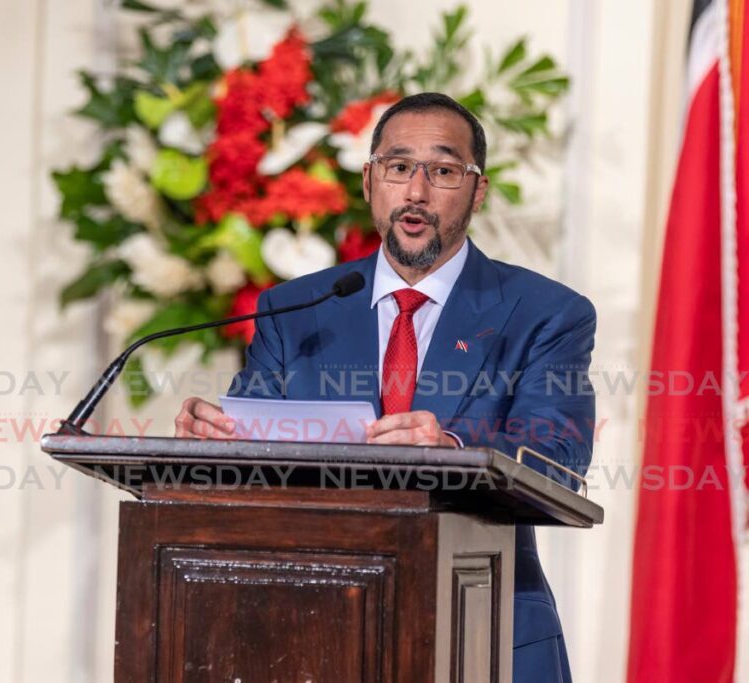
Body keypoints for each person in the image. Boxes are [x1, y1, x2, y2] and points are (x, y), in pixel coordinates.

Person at [173, 92, 596, 683]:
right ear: (370, 180)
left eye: (444, 171)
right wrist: (211, 445)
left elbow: (558, 458)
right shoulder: (296, 308)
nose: (416, 191)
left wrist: (452, 448)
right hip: (312, 629)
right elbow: (256, 452)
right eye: (399, 167)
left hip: (480, 626)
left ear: (478, 191)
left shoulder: (545, 313)